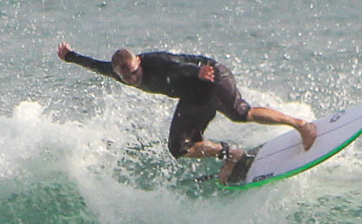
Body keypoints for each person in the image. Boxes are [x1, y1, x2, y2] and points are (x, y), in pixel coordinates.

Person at [57, 42, 316, 184]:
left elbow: (178, 65)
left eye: (135, 72)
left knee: (239, 113)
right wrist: (70, 56)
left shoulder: (158, 62)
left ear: (138, 61)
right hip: (194, 95)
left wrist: (198, 71)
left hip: (211, 75)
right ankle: (232, 154)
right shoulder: (119, 73)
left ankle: (301, 125)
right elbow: (93, 64)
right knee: (179, 148)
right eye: (126, 77)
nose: (133, 79)